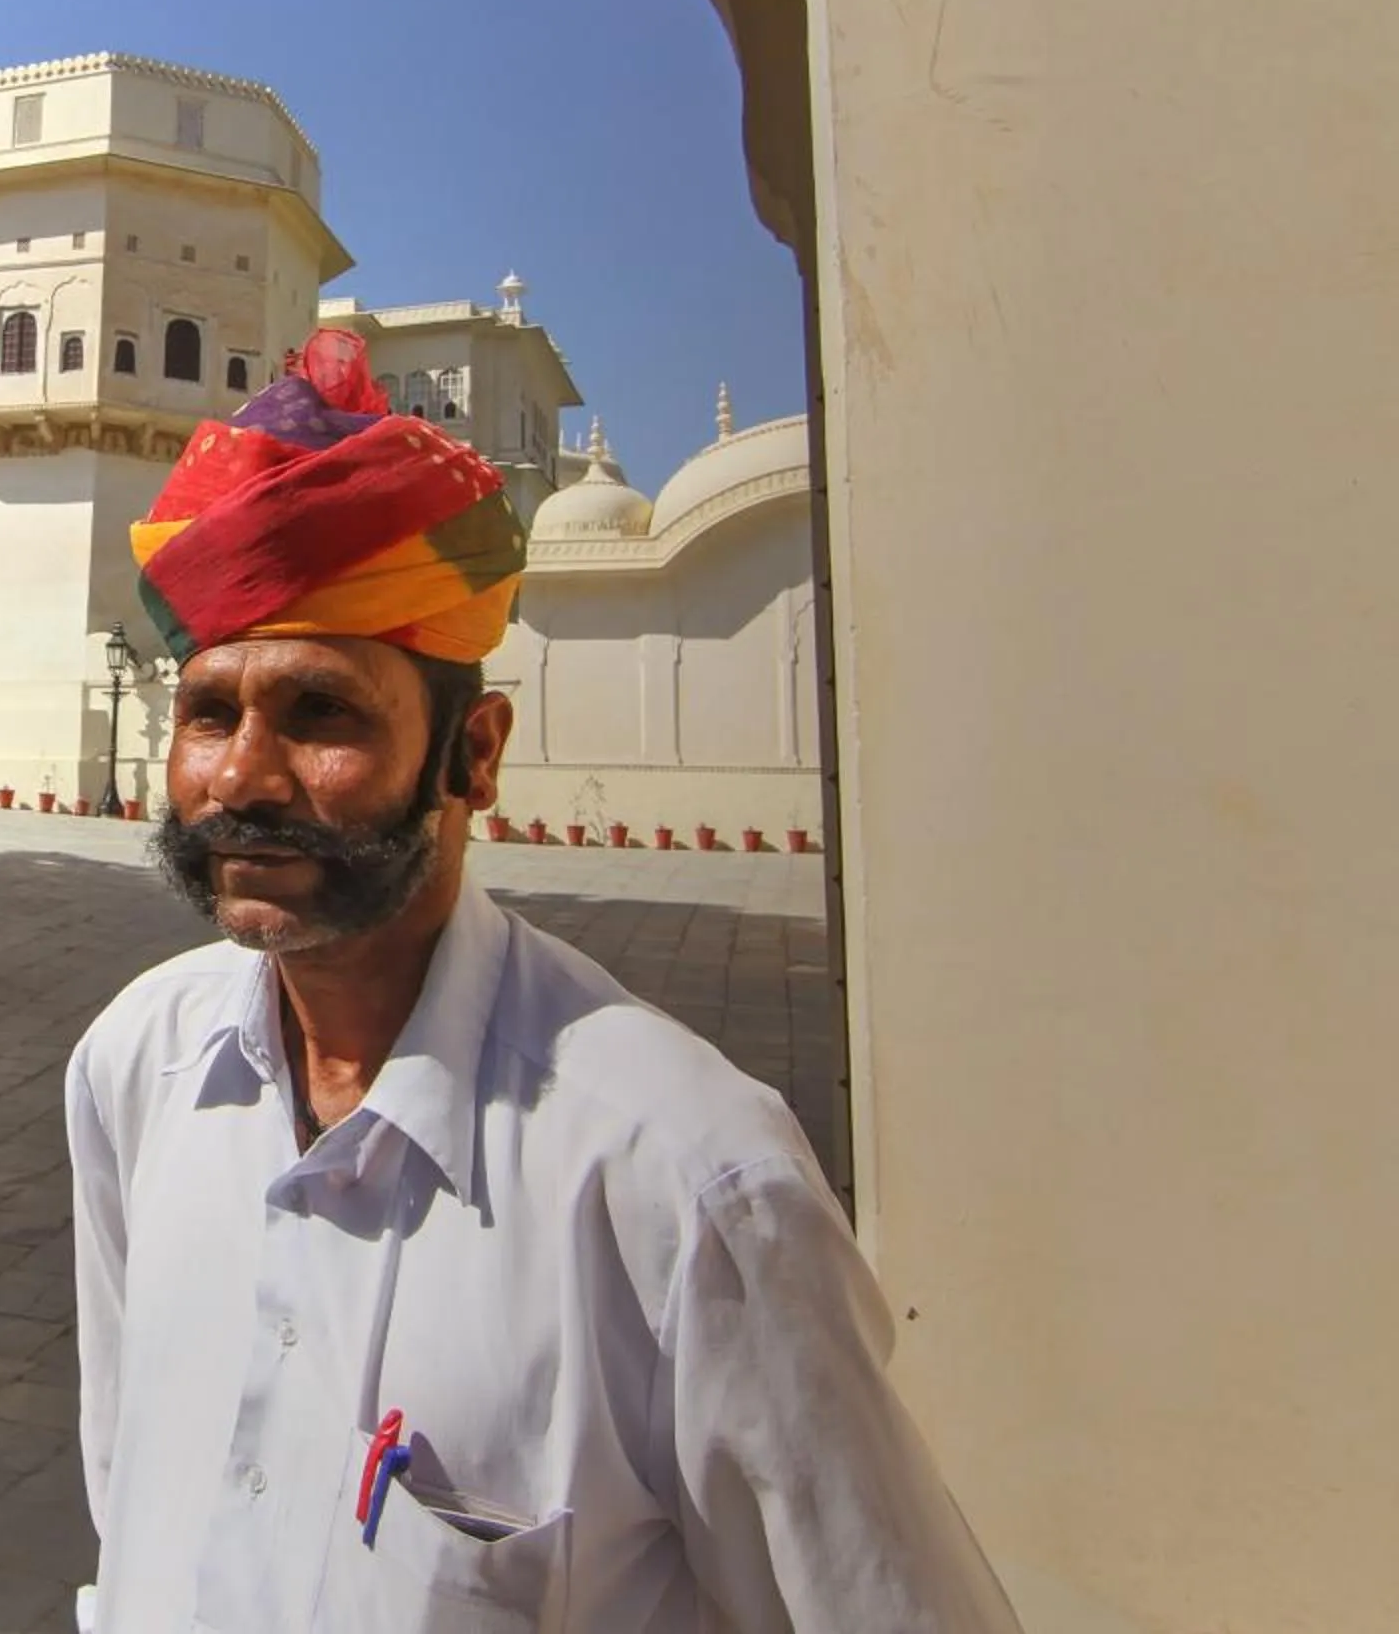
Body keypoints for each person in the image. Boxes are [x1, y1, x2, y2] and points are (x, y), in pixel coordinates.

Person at [68, 331, 1017, 1633]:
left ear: (475, 752)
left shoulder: (680, 1181)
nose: (242, 779)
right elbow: (131, 1504)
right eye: (211, 712)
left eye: (322, 714)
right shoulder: (137, 1070)